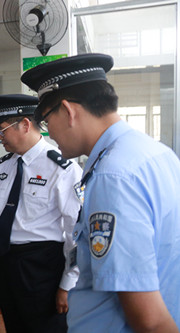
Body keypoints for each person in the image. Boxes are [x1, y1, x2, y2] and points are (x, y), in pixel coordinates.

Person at [21, 53, 180, 332]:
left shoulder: (112, 176)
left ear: (68, 111)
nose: (48, 134)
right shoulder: (156, 153)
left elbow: (150, 321)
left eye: (46, 121)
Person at [0, 94, 82, 333]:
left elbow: (75, 233)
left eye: (2, 130)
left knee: (44, 327)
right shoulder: (5, 166)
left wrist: (68, 284)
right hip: (5, 261)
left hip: (41, 265)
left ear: (25, 125)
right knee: (14, 323)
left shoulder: (62, 169)